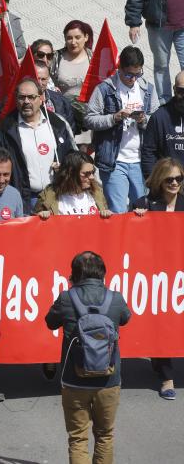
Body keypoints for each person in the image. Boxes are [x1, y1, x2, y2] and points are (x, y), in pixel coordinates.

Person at [45, 251, 131, 464]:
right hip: (109, 380)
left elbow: (50, 322)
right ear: (103, 274)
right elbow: (125, 318)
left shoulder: (66, 298)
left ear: (74, 274)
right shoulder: (115, 298)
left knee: (78, 439)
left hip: (74, 380)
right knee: (105, 435)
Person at [132, 156, 184, 400]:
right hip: (157, 274)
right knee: (163, 321)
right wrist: (137, 217)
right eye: (169, 179)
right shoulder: (146, 203)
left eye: (178, 178)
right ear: (159, 180)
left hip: (181, 271)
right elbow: (129, 235)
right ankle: (166, 376)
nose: (174, 183)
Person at [85, 47, 159, 212]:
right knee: (118, 211)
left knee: (142, 210)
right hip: (114, 161)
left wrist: (143, 119)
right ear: (119, 69)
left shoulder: (148, 90)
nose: (133, 79)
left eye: (137, 74)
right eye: (128, 75)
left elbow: (156, 119)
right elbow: (89, 119)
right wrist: (114, 117)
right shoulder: (105, 89)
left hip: (141, 160)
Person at [0, 78, 76, 211]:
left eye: (31, 97)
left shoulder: (58, 124)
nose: (26, 102)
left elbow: (74, 157)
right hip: (22, 200)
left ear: (41, 98)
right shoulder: (4, 130)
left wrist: (65, 168)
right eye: (21, 97)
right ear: (16, 99)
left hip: (57, 197)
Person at [34, 151, 111, 218]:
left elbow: (106, 226)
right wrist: (41, 215)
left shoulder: (97, 192)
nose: (92, 177)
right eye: (86, 174)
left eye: (92, 172)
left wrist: (107, 215)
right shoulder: (49, 195)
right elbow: (34, 226)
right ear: (71, 173)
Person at [141, 70, 184, 176]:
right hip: (169, 183)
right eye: (180, 91)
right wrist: (152, 180)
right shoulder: (159, 117)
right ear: (174, 89)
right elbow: (148, 152)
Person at [51, 20, 93, 101]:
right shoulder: (55, 58)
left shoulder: (94, 58)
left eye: (77, 37)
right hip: (62, 108)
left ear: (86, 37)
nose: (73, 42)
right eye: (69, 38)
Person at [36, 61, 79, 134]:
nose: (40, 83)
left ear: (48, 79)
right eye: (37, 78)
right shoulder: (24, 102)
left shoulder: (61, 100)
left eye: (43, 79)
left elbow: (70, 128)